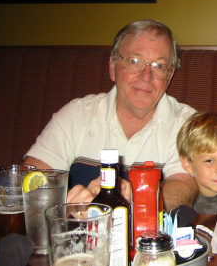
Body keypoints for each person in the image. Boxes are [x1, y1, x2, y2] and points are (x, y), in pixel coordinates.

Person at [22, 19, 198, 212]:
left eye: (159, 66)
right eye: (134, 61)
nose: (146, 76)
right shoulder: (77, 115)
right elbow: (31, 178)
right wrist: (69, 203)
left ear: (169, 77)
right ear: (113, 67)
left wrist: (136, 194)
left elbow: (184, 190)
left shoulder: (185, 123)